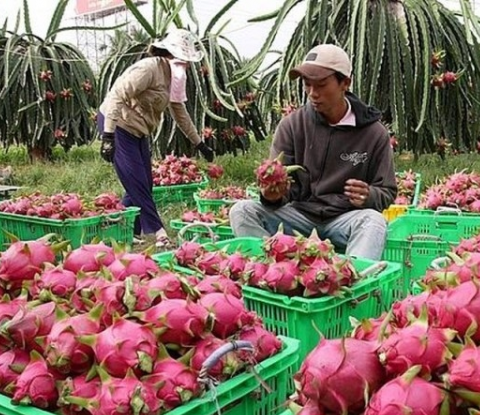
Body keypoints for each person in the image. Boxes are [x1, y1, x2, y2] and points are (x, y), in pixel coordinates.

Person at [229, 44, 396, 260]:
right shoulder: (292, 125)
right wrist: (272, 195)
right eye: (307, 85)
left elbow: (388, 191)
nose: (312, 93)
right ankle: (272, 272)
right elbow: (282, 187)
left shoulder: (374, 133)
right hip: (299, 216)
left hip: (344, 220)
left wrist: (369, 195)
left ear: (345, 82)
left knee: (374, 221)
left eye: (321, 85)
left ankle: (353, 284)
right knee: (242, 211)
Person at [97, 29, 215, 248]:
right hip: (118, 126)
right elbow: (116, 95)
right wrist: (108, 135)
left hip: (139, 131)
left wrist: (199, 142)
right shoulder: (148, 68)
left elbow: (180, 112)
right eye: (183, 60)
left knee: (144, 183)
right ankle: (159, 234)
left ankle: (123, 231)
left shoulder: (174, 77)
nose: (186, 65)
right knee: (138, 183)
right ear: (170, 54)